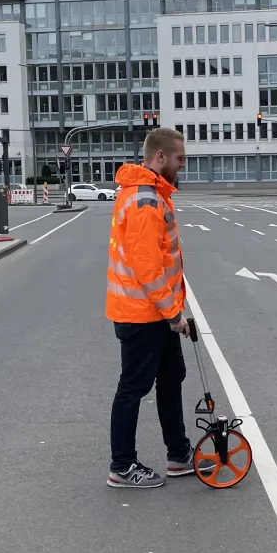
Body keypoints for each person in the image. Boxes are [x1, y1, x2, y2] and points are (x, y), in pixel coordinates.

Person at [104, 127, 193, 488]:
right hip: (142, 314)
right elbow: (147, 267)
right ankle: (122, 466)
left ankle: (179, 454)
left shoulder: (153, 194)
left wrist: (174, 311)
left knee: (172, 379)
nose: (182, 166)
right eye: (179, 159)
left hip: (156, 312)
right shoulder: (145, 201)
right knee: (133, 388)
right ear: (160, 157)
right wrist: (173, 313)